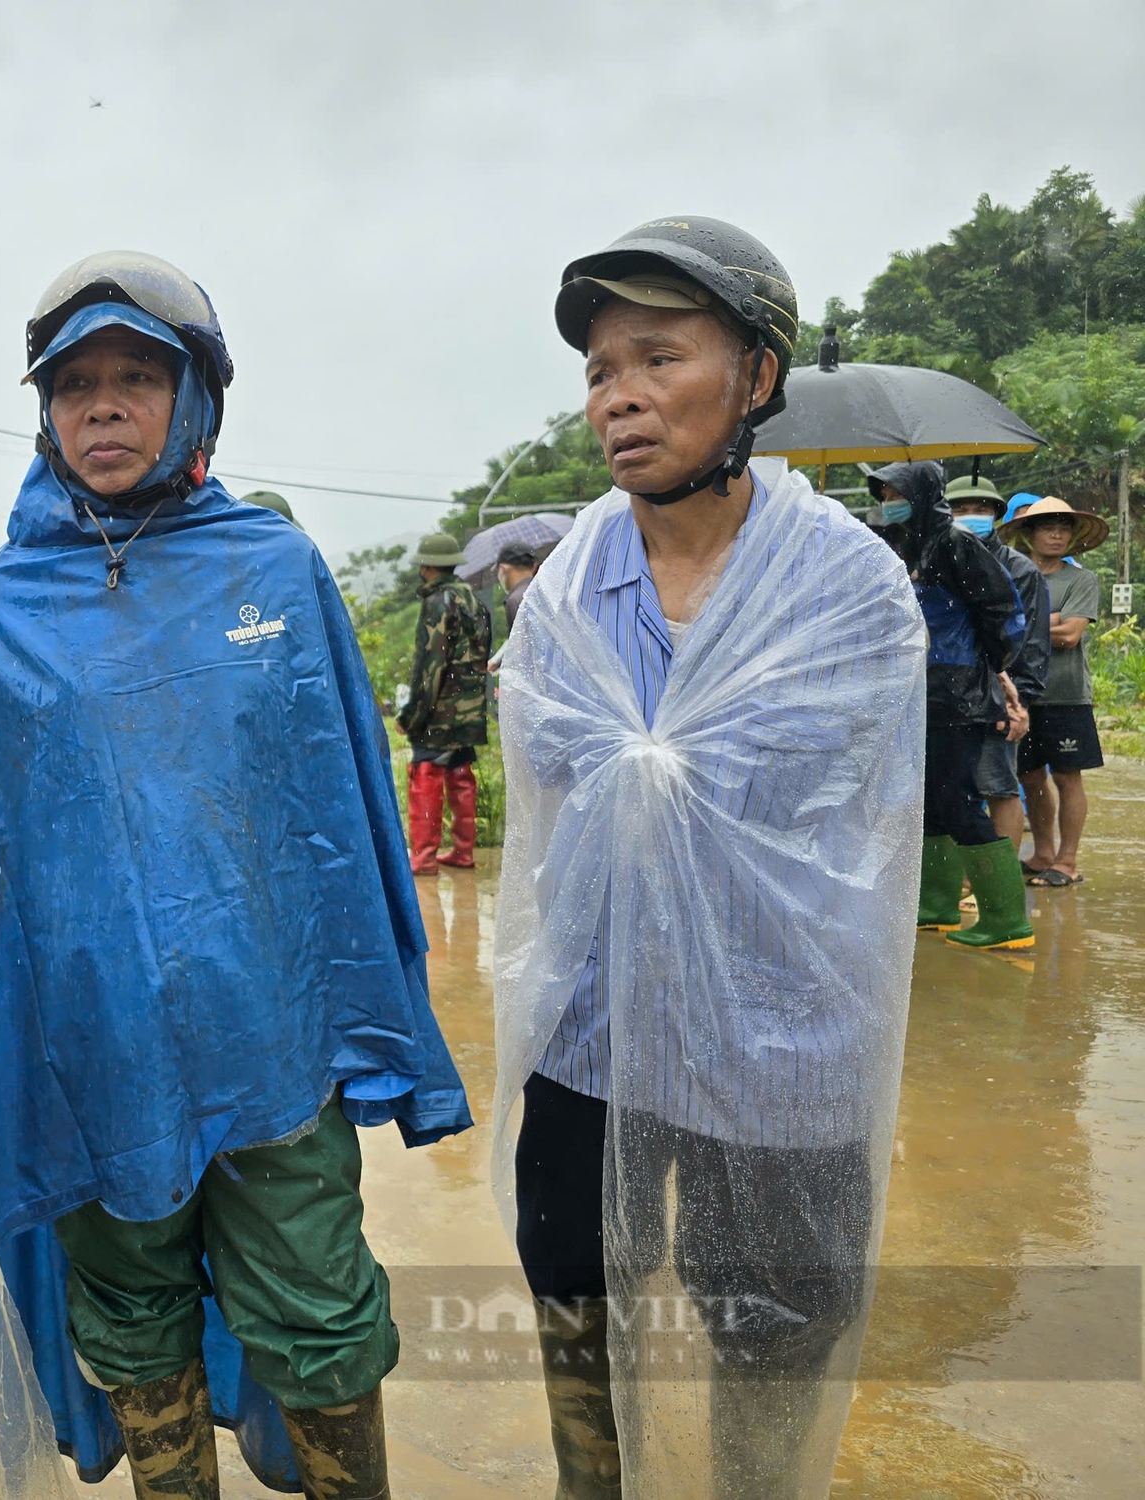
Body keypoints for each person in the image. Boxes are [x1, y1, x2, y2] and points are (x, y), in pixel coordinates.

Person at [0, 251, 471, 1500]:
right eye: (73, 385)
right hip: (90, 1052)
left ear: (196, 398)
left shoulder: (272, 572)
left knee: (315, 1297)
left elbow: (341, 819)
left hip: (270, 1036)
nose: (101, 407)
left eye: (135, 378)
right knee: (128, 1309)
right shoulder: (3, 605)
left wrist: (369, 1014)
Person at [494, 217, 928, 1499]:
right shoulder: (569, 586)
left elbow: (841, 826)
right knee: (571, 1281)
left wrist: (662, 770)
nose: (618, 394)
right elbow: (551, 796)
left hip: (779, 1035)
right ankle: (595, 1482)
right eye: (596, 372)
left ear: (755, 376)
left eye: (656, 358)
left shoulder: (843, 586)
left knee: (772, 1324)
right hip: (593, 1023)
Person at [868, 461, 1029, 948]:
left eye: (898, 492)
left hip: (958, 692)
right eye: (885, 493)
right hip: (919, 690)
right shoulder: (901, 544)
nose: (890, 500)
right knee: (932, 802)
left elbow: (1005, 612)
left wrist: (989, 664)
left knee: (959, 800)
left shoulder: (958, 545)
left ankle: (1007, 921)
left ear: (921, 494)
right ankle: (936, 906)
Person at [1003, 495, 1110, 885]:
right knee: (1029, 778)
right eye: (1048, 526)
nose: (1057, 534)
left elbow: (1069, 634)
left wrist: (1023, 623)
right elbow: (994, 623)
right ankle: (1042, 853)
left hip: (1065, 694)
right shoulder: (1012, 574)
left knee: (1068, 777)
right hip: (1020, 693)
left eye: (1064, 527)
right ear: (1028, 534)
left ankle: (1067, 861)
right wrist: (1047, 619)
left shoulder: (1081, 579)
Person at [945, 475, 1049, 847]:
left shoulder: (1021, 570)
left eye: (981, 509)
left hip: (996, 699)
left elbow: (1032, 646)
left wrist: (1018, 701)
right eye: (960, 508)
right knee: (947, 792)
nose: (970, 516)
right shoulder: (936, 560)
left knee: (998, 789)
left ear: (995, 515)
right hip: (944, 696)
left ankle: (995, 889)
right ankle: (955, 885)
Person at [397, 533, 491, 875]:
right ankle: (463, 851)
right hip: (470, 709)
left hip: (440, 711)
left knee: (426, 774)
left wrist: (413, 715)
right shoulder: (473, 599)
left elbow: (431, 665)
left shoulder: (438, 602)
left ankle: (422, 857)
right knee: (461, 773)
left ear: (426, 566)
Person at [496, 541, 542, 632]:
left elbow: (521, 643)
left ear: (502, 569)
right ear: (534, 566)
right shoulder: (543, 590)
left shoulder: (514, 600)